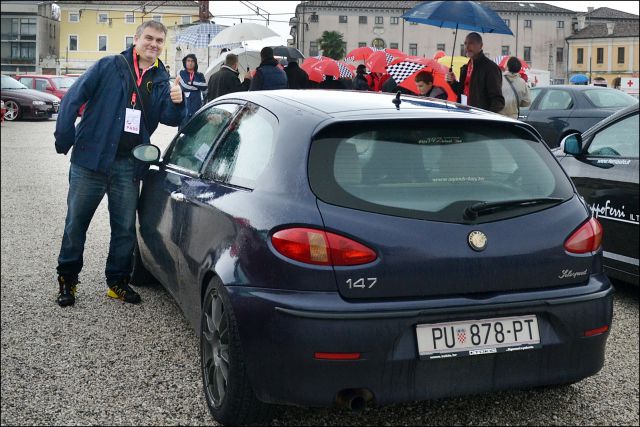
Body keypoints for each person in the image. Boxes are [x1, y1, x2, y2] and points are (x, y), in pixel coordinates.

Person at [53, 20, 185, 307]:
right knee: (76, 224)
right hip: (91, 161)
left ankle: (117, 282)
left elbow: (171, 118)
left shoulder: (162, 79)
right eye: (148, 38)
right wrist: (64, 138)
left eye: (159, 41)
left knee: (124, 228)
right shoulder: (109, 65)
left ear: (163, 45)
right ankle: (68, 280)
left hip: (127, 165)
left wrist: (178, 101)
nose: (153, 44)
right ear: (136, 40)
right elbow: (73, 99)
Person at [445, 32, 504, 113]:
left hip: (479, 119)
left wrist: (486, 118)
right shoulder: (465, 68)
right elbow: (462, 92)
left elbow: (498, 101)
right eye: (465, 43)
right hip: (464, 114)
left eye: (471, 43)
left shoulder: (490, 68)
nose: (467, 47)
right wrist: (453, 82)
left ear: (480, 45)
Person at [177, 53, 207, 129]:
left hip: (196, 104)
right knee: (183, 128)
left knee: (195, 127)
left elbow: (205, 86)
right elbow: (184, 86)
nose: (190, 63)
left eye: (192, 61)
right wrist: (198, 86)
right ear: (185, 62)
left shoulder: (200, 75)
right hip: (184, 105)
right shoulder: (181, 73)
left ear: (195, 63)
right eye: (188, 61)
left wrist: (193, 83)